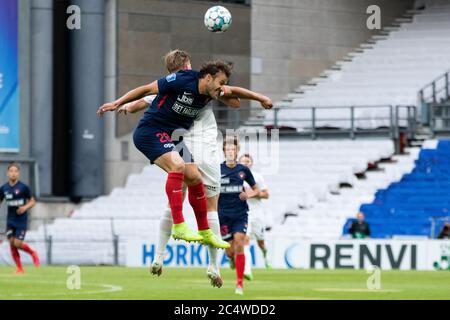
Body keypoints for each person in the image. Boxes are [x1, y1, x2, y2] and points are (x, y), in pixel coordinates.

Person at [110, 50, 274, 288]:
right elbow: (234, 100)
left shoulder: (190, 87)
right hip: (199, 149)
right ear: (187, 66)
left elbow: (143, 101)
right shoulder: (191, 85)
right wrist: (123, 104)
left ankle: (161, 257)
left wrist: (125, 106)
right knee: (210, 205)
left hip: (180, 142)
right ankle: (210, 265)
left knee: (183, 190)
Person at [219, 137, 260, 295]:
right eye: (227, 149)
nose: (230, 152)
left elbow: (256, 189)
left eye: (233, 150)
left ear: (236, 152)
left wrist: (248, 195)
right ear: (224, 152)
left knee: (240, 244)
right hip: (223, 215)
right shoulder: (217, 170)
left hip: (240, 214)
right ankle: (231, 259)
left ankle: (240, 284)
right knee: (230, 251)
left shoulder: (243, 170)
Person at [0, 163, 40, 274]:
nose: (13, 173)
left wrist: (24, 207)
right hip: (10, 220)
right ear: (8, 173)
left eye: (15, 171)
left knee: (17, 243)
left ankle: (33, 253)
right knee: (11, 243)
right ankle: (20, 269)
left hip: (21, 220)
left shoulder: (23, 187)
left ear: (18, 174)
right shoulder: (4, 188)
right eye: (11, 171)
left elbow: (32, 201)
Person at [239, 153, 271, 281]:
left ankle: (265, 255)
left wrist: (251, 194)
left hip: (257, 213)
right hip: (244, 213)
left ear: (251, 164)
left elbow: (266, 194)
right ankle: (247, 269)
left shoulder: (257, 177)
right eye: (243, 161)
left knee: (261, 242)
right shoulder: (236, 177)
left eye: (248, 161)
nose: (245, 163)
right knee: (245, 240)